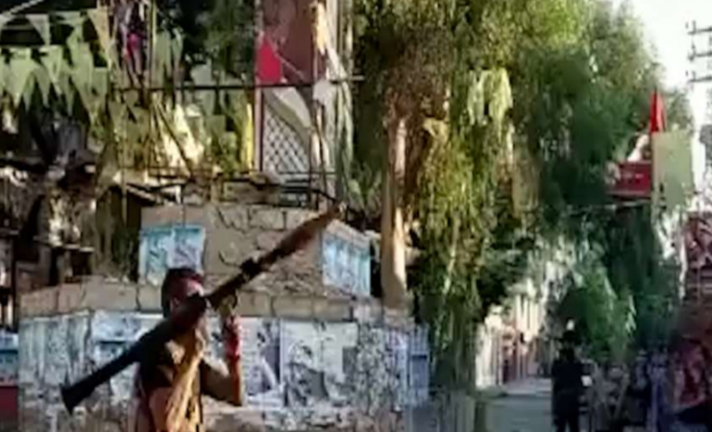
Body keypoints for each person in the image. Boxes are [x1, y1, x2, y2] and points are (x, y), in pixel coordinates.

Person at [129, 268, 244, 432]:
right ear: (175, 307)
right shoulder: (157, 356)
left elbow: (234, 395)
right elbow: (167, 426)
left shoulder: (191, 361)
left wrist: (233, 354)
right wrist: (191, 358)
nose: (203, 314)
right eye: (196, 305)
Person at [552, 334, 584, 432]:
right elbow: (554, 385)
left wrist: (580, 397)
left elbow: (579, 381)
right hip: (562, 398)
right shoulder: (558, 362)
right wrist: (554, 409)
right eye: (567, 343)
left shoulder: (577, 363)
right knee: (561, 428)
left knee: (574, 427)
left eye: (571, 343)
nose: (569, 345)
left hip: (573, 399)